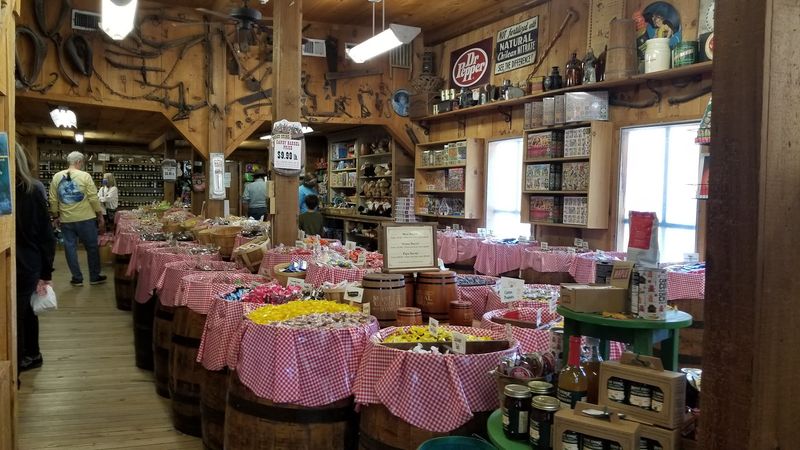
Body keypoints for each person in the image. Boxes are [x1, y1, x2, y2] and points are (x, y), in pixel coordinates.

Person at [15, 143, 56, 372]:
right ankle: (32, 353)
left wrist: (46, 273)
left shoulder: (30, 190)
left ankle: (20, 360)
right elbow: (45, 235)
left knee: (20, 313)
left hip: (23, 263)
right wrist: (45, 271)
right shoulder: (34, 189)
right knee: (26, 310)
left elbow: (45, 235)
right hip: (29, 262)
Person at [49, 151, 106, 286]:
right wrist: (99, 215)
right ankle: (94, 277)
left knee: (70, 248)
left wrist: (55, 215)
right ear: (79, 162)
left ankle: (77, 278)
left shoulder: (57, 176)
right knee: (92, 247)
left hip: (66, 220)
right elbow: (93, 197)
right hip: (86, 218)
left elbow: (52, 198)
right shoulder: (85, 176)